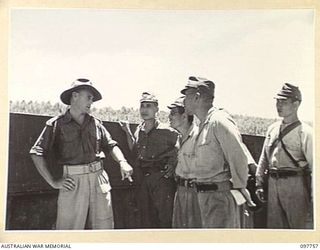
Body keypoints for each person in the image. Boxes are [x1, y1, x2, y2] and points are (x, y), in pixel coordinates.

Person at [30, 78, 133, 230]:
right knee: (68, 229)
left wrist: (123, 162)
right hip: (73, 182)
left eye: (92, 99)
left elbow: (111, 145)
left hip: (99, 179)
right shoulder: (56, 124)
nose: (91, 102)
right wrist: (53, 182)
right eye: (89, 97)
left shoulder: (96, 123)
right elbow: (36, 153)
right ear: (75, 96)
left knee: (104, 228)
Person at [181, 76, 249, 228]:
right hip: (203, 197)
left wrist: (239, 190)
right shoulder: (202, 124)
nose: (183, 101)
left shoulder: (219, 121)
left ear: (197, 97)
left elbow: (238, 157)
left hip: (219, 198)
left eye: (186, 96)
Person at [255, 83, 313, 229]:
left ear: (296, 104)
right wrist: (259, 183)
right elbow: (264, 159)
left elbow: (315, 167)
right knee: (276, 230)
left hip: (296, 185)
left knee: (298, 229)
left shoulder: (305, 132)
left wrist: (313, 197)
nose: (279, 105)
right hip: (273, 184)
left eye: (284, 102)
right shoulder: (272, 129)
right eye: (277, 101)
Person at [119, 92, 179, 228]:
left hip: (161, 179)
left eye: (149, 106)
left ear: (156, 109)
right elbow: (135, 150)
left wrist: (172, 163)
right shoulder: (139, 130)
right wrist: (128, 132)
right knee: (145, 217)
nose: (144, 110)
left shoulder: (167, 130)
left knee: (165, 217)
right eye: (142, 106)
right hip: (143, 179)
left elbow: (181, 146)